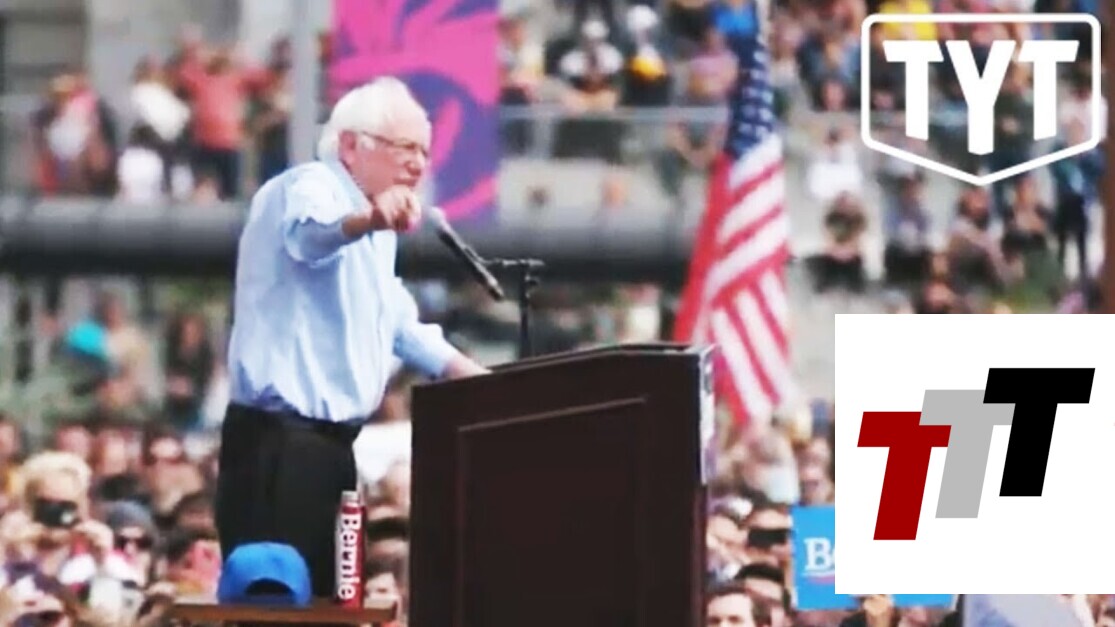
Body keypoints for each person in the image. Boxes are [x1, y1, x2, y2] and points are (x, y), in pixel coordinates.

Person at [216, 76, 488, 598]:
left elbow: (400, 324)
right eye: (405, 148)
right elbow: (310, 236)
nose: (418, 164)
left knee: (336, 600)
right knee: (278, 603)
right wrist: (366, 220)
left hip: (334, 448)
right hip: (280, 445)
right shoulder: (309, 186)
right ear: (350, 145)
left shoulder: (377, 232)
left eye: (424, 152)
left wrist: (484, 382)